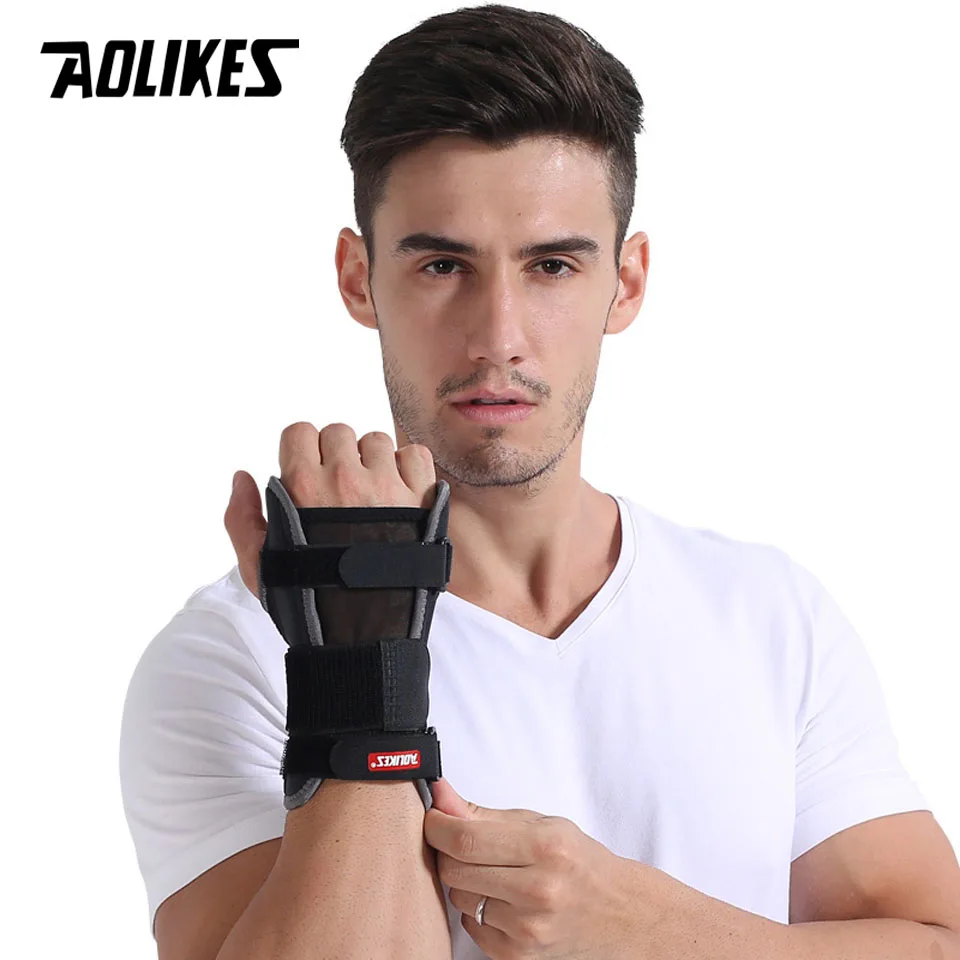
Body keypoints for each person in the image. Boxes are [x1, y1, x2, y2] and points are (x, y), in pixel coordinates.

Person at [119, 5, 960, 960]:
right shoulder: (239, 654)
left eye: (552, 265)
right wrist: (358, 684)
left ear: (626, 281)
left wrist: (651, 929)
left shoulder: (769, 614)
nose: (499, 336)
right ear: (358, 278)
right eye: (443, 264)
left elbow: (936, 942)